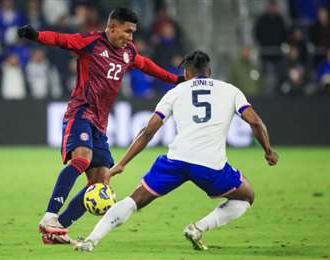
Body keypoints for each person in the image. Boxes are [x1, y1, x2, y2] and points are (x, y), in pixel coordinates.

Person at [74, 50, 279, 252]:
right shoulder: (230, 90)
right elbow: (256, 122)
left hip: (176, 161)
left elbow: (148, 132)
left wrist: (121, 164)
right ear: (209, 71)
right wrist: (268, 151)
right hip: (210, 164)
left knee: (134, 200)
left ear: (187, 74)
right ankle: (198, 228)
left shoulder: (175, 92)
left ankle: (91, 240)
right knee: (246, 196)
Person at [17, 7, 184, 244]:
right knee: (82, 158)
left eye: (133, 33)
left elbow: (145, 64)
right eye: (127, 31)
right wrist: (36, 36)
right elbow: (61, 40)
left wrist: (175, 80)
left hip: (100, 124)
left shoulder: (128, 52)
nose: (130, 37)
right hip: (81, 111)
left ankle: (57, 230)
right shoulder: (92, 42)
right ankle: (49, 217)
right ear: (112, 27)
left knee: (100, 182)